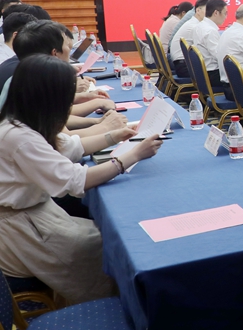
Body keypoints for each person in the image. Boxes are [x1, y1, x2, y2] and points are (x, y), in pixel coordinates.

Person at [0, 55, 162, 304]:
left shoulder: (21, 124)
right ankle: (124, 308)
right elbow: (77, 180)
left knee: (112, 236)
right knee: (117, 246)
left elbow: (70, 146)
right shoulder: (18, 137)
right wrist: (132, 156)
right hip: (23, 233)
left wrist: (115, 136)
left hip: (36, 217)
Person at [190, 0, 229, 89]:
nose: (226, 17)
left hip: (203, 73)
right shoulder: (210, 31)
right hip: (213, 74)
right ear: (216, 13)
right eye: (225, 13)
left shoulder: (199, 26)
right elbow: (219, 57)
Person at [169, 0, 210, 77]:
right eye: (208, 10)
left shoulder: (193, 22)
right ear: (198, 10)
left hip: (180, 64)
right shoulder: (195, 26)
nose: (210, 13)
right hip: (184, 66)